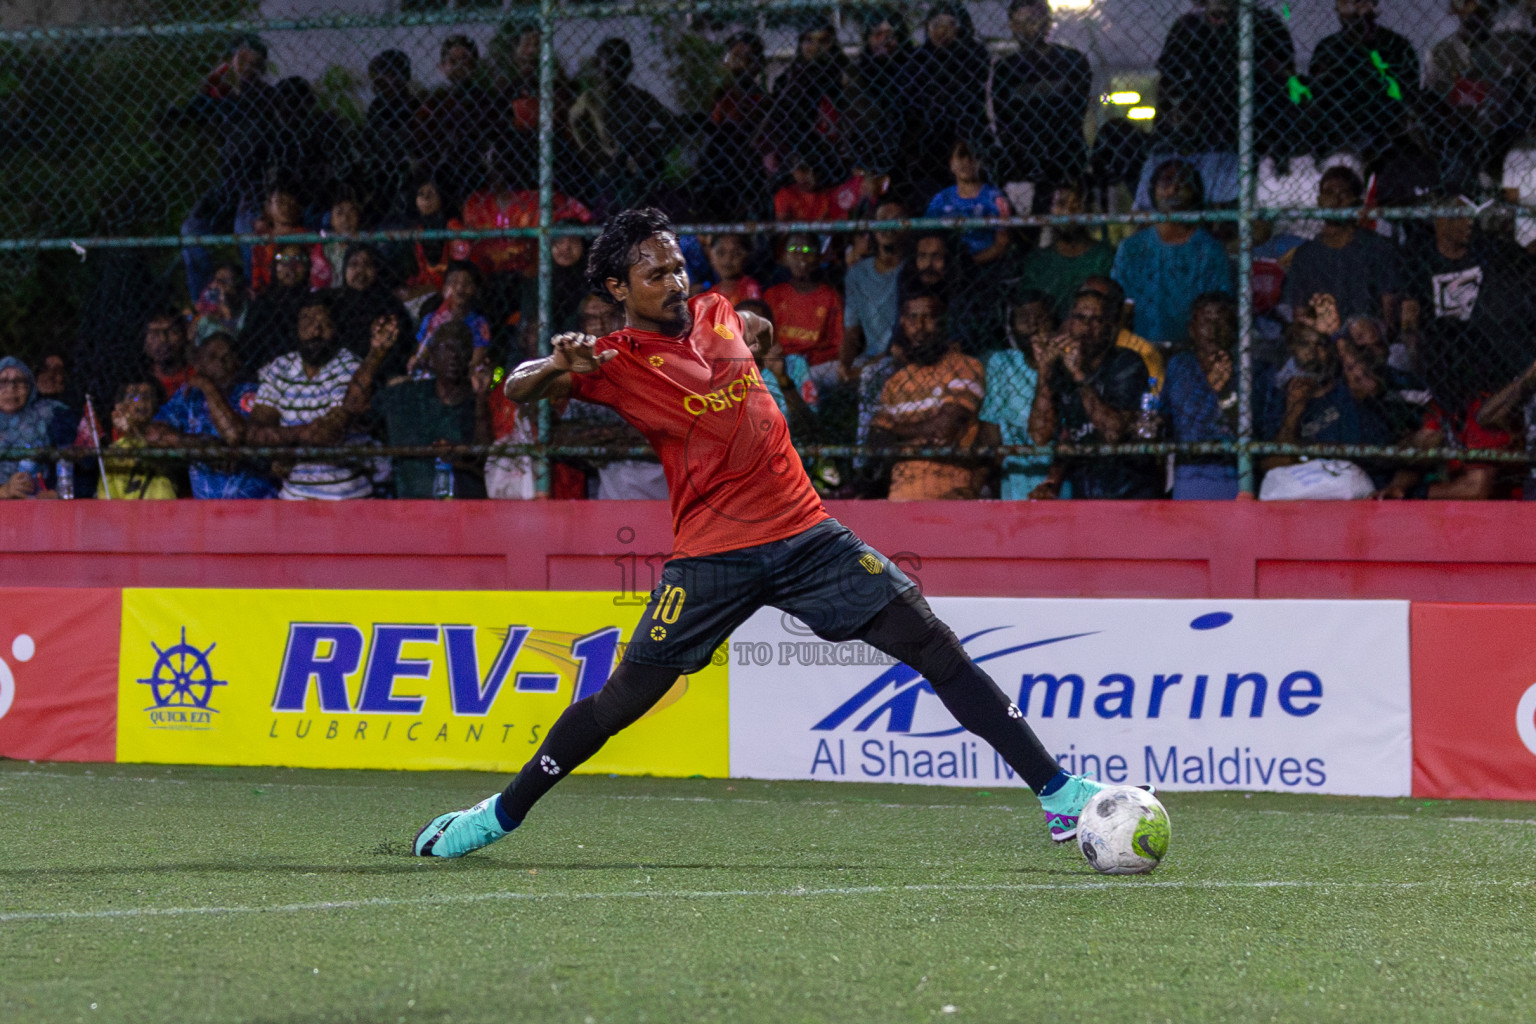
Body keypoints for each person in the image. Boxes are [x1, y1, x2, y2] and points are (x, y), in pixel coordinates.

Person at [414, 207, 1121, 858]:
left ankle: (1057, 794)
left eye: (677, 265)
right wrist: (553, 367)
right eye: (654, 273)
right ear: (616, 286)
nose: (674, 280)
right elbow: (517, 388)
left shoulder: (718, 312)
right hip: (712, 557)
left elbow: (755, 334)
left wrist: (759, 338)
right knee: (623, 700)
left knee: (934, 646)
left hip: (808, 536)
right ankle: (497, 816)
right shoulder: (614, 359)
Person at [247, 293, 387, 500]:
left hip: (347, 496)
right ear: (295, 328)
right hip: (294, 496)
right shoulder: (280, 368)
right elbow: (255, 432)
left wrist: (285, 446)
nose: (316, 331)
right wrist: (303, 434)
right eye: (308, 321)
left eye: (325, 323)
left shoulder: (350, 365)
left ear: (336, 329)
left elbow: (329, 433)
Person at [1029, 287, 1162, 499]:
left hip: (1129, 490)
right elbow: (1040, 435)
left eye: (1095, 320)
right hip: (1085, 489)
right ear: (1068, 323)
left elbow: (1112, 432)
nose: (1086, 327)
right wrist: (1044, 371)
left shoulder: (1126, 363)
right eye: (1080, 318)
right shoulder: (1060, 369)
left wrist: (1079, 376)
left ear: (1109, 327)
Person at [868, 289, 986, 500]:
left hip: (951, 492)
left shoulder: (964, 366)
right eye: (912, 318)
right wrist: (925, 434)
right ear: (902, 322)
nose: (920, 327)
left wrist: (896, 433)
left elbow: (944, 428)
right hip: (899, 496)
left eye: (928, 317)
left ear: (943, 322)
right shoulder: (896, 381)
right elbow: (876, 440)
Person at [1110, 160, 1233, 346]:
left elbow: (1220, 306)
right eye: (1167, 181)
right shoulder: (1132, 248)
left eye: (1184, 183)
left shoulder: (1209, 249)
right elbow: (1120, 303)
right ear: (1153, 190)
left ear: (1195, 192)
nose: (1175, 188)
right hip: (1140, 346)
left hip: (1194, 348)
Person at [143, 332, 278, 499]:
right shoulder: (189, 396)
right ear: (198, 364)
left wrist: (207, 387)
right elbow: (153, 433)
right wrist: (202, 446)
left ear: (238, 363)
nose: (221, 363)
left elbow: (235, 435)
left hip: (255, 505)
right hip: (206, 511)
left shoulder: (250, 393)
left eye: (227, 357)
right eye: (213, 357)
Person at [371, 320, 494, 498]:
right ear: (432, 355)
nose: (454, 355)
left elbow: (486, 454)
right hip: (412, 504)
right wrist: (375, 355)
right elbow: (357, 407)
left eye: (461, 348)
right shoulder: (406, 395)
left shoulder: (476, 400)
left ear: (469, 356)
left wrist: (481, 397)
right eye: (446, 347)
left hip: (464, 504)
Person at [991, 0, 1093, 190]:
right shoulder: (1005, 69)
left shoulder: (1072, 61)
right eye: (1017, 23)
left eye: (1031, 21)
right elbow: (1003, 119)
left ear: (1047, 22)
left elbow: (1075, 113)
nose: (1024, 29)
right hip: (1021, 162)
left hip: (1064, 158)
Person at [1284, 166, 1403, 324]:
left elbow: (1390, 315)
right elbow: (1300, 316)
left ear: (1357, 202)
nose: (1335, 200)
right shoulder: (1305, 255)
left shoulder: (1378, 247)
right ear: (1319, 201)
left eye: (1344, 193)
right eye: (1329, 193)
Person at [1308, 0, 1421, 158]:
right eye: (1346, 2)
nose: (1354, 8)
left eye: (1360, 2)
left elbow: (1407, 97)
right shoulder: (1327, 49)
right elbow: (1316, 98)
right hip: (1337, 136)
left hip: (1386, 137)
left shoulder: (1397, 46)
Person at [1161, 292, 1243, 498]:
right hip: (1187, 472)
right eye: (1206, 322)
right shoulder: (1179, 366)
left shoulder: (1248, 368)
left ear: (1234, 329)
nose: (1214, 330)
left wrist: (1224, 393)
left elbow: (1249, 428)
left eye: (1222, 322)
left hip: (1234, 471)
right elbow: (1165, 416)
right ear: (1192, 329)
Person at [906, 2, 992, 197]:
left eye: (949, 24)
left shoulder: (974, 56)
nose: (942, 31)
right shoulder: (918, 61)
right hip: (927, 148)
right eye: (936, 24)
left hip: (967, 140)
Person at [979, 292, 1056, 498]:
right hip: (1014, 477)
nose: (1032, 326)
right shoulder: (1002, 363)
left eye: (1039, 318)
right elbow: (991, 424)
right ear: (1011, 327)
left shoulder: (1064, 363)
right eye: (1023, 319)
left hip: (1054, 477)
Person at [1015, 180, 1116, 321]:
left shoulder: (1104, 256)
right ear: (1049, 209)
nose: (1068, 211)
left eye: (1076, 205)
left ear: (1087, 209)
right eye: (1061, 204)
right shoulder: (1037, 261)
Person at [839, 198, 907, 381]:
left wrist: (860, 371)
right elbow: (851, 331)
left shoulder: (910, 271)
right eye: (883, 219)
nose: (888, 226)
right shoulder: (857, 273)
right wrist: (844, 365)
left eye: (895, 220)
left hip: (900, 356)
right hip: (868, 357)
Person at [763, 233, 844, 386]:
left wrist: (812, 358)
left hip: (816, 365)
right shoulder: (772, 295)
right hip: (780, 362)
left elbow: (838, 343)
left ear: (819, 258)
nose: (801, 256)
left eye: (808, 250)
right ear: (784, 256)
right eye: (794, 249)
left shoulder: (830, 296)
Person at [926, 139, 1011, 266]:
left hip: (986, 265)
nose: (967, 161)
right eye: (961, 155)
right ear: (951, 163)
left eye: (973, 156)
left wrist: (968, 264)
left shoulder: (995, 197)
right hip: (944, 266)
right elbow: (926, 236)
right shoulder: (941, 199)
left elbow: (1002, 242)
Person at [240, 243, 315, 376]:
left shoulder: (314, 302)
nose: (291, 266)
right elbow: (248, 343)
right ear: (275, 266)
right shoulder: (262, 302)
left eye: (298, 260)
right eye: (284, 259)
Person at [409, 261, 494, 374]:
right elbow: (421, 355)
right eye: (453, 282)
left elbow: (475, 361)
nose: (459, 288)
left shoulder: (478, 323)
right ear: (444, 289)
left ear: (475, 289)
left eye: (467, 283)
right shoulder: (431, 319)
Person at [0, 357, 67, 499]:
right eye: (3, 382)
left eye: (19, 381)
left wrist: (53, 492)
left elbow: (68, 466)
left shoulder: (48, 418)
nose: (11, 388)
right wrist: (4, 490)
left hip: (38, 507)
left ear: (30, 386)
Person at [142, 309, 195, 400]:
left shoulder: (199, 372)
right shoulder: (141, 383)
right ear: (145, 345)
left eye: (172, 331)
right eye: (154, 334)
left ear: (184, 336)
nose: (163, 339)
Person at [193, 262, 250, 345]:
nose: (218, 285)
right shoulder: (206, 319)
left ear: (237, 285)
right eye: (216, 280)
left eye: (224, 281)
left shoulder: (246, 311)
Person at [698, 234, 763, 306]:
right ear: (710, 254)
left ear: (747, 256)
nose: (727, 259)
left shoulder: (750, 288)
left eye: (736, 253)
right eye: (721, 252)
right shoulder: (711, 293)